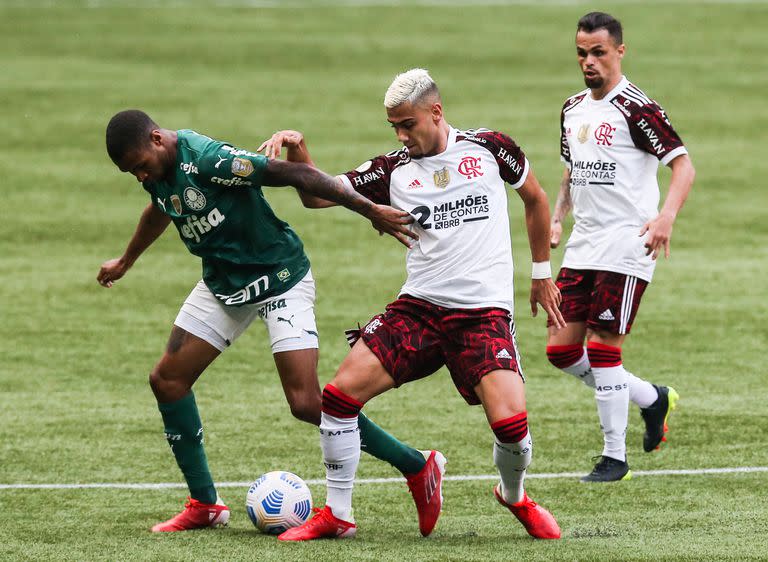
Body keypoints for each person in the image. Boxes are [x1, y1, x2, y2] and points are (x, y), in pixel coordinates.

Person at [97, 110, 447, 533]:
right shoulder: (159, 173)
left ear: (157, 140)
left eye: (139, 166)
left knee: (305, 402)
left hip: (279, 277)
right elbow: (161, 208)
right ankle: (205, 504)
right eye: (130, 173)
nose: (139, 176)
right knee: (167, 380)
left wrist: (368, 209)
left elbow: (297, 176)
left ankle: (417, 465)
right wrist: (126, 260)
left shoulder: (210, 160)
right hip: (224, 283)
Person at [263, 68, 564, 541]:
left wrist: (541, 274)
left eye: (408, 125)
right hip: (419, 310)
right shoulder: (393, 170)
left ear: (436, 112)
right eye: (395, 128)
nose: (403, 136)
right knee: (338, 400)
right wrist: (299, 151)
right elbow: (314, 197)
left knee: (512, 427)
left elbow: (536, 198)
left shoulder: (490, 148)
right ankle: (338, 513)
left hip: (482, 315)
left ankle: (515, 494)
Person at [546, 12, 696, 482]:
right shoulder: (573, 108)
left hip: (628, 244)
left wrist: (665, 217)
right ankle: (653, 399)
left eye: (598, 53)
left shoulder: (637, 107)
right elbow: (573, 169)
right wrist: (556, 218)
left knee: (604, 348)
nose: (588, 62)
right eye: (581, 53)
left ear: (619, 52)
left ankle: (615, 458)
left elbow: (683, 166)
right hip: (583, 245)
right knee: (561, 350)